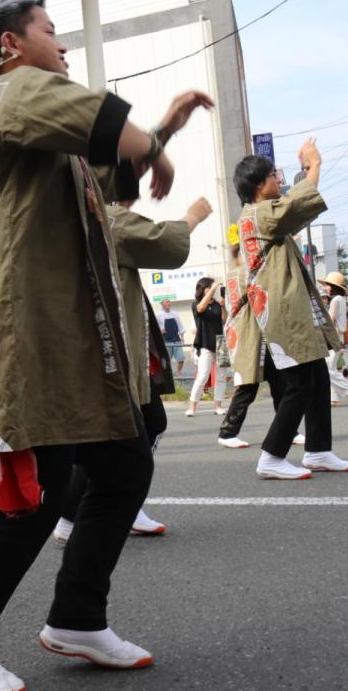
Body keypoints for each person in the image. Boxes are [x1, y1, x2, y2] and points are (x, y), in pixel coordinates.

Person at [0, 0, 212, 691]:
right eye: (51, 29)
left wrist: (163, 133)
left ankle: (78, 616)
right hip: (29, 338)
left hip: (71, 339)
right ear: (9, 44)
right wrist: (154, 146)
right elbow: (103, 127)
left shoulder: (42, 124)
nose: (62, 44)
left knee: (122, 468)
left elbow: (107, 170)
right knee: (36, 493)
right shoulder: (11, 92)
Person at [54, 197, 212, 543]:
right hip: (115, 352)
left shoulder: (87, 216)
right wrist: (193, 215)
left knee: (135, 430)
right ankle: (83, 514)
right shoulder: (108, 217)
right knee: (116, 439)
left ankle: (104, 510)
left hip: (119, 349)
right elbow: (163, 242)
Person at [231, 138, 348, 479]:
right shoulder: (258, 214)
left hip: (290, 308)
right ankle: (271, 456)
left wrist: (307, 171)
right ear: (259, 184)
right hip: (283, 311)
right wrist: (314, 166)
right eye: (274, 175)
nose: (279, 180)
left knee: (315, 378)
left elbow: (293, 206)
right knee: (300, 383)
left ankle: (318, 451)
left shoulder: (260, 215)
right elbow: (294, 206)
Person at [186, 277, 227, 417]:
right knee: (203, 376)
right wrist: (213, 290)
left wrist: (223, 305)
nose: (212, 289)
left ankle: (218, 406)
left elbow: (224, 320)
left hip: (221, 341)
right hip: (205, 342)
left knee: (221, 376)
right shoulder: (196, 304)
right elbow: (201, 308)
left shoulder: (216, 304)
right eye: (209, 287)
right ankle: (192, 406)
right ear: (203, 289)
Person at [320, 272, 348, 406]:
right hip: (338, 337)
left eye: (327, 286)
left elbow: (330, 320)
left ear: (333, 286)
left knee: (326, 370)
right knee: (331, 368)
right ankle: (334, 398)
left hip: (333, 337)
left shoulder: (336, 300)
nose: (325, 288)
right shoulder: (341, 299)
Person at [156, 299, 185, 377]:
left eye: (169, 302)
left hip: (176, 339)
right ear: (162, 304)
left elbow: (180, 326)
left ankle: (178, 373)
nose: (168, 303)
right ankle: (168, 375)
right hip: (166, 340)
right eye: (166, 302)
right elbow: (154, 327)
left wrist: (182, 337)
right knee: (166, 359)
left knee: (181, 358)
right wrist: (160, 331)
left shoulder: (175, 314)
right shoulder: (158, 315)